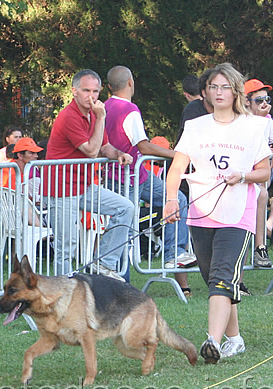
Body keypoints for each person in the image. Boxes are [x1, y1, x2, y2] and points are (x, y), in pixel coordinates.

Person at [164, 63, 271, 364]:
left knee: (223, 277)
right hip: (201, 209)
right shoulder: (196, 126)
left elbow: (264, 171)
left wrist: (243, 176)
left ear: (235, 90)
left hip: (238, 211)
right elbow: (177, 167)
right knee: (214, 278)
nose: (219, 92)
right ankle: (234, 339)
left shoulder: (252, 126)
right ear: (206, 92)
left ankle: (212, 341)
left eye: (225, 87)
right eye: (214, 87)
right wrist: (171, 199)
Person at [104, 66, 195, 294]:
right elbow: (143, 146)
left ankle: (120, 279)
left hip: (115, 175)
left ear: (108, 87)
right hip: (134, 176)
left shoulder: (104, 107)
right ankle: (173, 254)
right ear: (131, 83)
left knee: (122, 225)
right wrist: (178, 154)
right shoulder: (130, 109)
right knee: (178, 200)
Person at [42, 69, 134, 280]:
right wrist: (101, 117)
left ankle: (102, 264)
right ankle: (62, 295)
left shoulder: (93, 114)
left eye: (95, 91)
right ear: (74, 91)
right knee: (67, 246)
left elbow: (105, 147)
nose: (91, 96)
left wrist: (120, 154)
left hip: (83, 186)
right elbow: (92, 151)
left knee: (125, 208)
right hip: (61, 188)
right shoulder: (69, 116)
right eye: (86, 90)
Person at [243, 78, 273, 268]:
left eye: (268, 99)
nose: (265, 104)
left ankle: (270, 223)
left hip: (264, 173)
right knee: (262, 193)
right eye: (259, 100)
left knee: (264, 191)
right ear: (247, 102)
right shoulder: (242, 120)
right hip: (246, 176)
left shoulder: (267, 120)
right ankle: (260, 247)